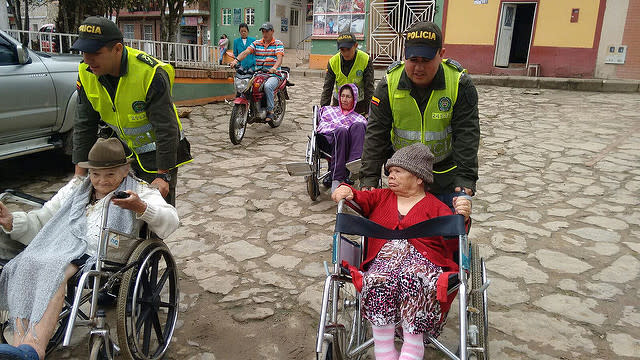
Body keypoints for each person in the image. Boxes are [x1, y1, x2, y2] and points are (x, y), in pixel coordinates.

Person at [0, 138, 179, 360]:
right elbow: (43, 221)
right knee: (23, 264)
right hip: (58, 245)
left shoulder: (140, 192)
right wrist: (11, 221)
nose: (101, 181)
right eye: (95, 174)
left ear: (125, 171)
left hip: (96, 253)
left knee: (54, 271)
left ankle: (33, 349)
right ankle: (19, 345)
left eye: (110, 174)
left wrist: (140, 207)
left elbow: (171, 221)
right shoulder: (76, 190)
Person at [332, 143, 471, 360]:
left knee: (415, 278)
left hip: (423, 262)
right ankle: (384, 350)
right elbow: (359, 197)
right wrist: (347, 190)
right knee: (377, 279)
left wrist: (462, 216)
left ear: (418, 178)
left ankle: (413, 347)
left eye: (398, 171)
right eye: (389, 172)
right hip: (383, 262)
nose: (390, 176)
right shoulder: (381, 197)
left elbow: (453, 239)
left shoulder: (435, 206)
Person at [70, 16, 193, 206]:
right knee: (116, 215)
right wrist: (79, 175)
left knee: (155, 218)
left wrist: (164, 175)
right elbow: (84, 123)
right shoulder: (87, 72)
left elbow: (166, 128)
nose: (87, 59)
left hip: (157, 158)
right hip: (120, 157)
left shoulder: (150, 73)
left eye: (94, 52)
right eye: (84, 52)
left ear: (117, 49)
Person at [359, 21, 480, 212]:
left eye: (426, 60)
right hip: (403, 177)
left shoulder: (459, 83)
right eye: (413, 59)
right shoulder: (388, 84)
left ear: (441, 55)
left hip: (444, 174)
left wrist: (465, 179)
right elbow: (376, 134)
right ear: (404, 55)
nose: (419, 67)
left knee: (447, 234)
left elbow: (467, 134)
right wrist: (368, 179)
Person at [230, 22, 285, 123]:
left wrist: (274, 67)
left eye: (267, 31)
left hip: (273, 74)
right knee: (247, 86)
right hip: (258, 73)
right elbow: (246, 52)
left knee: (268, 86)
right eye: (263, 31)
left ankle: (270, 111)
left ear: (272, 31)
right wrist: (236, 60)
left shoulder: (278, 43)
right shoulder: (257, 43)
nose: (265, 34)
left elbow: (279, 58)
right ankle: (252, 109)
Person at [317, 83, 367, 192]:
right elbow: (321, 127)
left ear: (354, 99)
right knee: (342, 131)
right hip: (329, 142)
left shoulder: (359, 118)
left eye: (348, 97)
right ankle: (337, 178)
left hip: (349, 147)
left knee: (359, 126)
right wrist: (342, 127)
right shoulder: (329, 110)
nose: (344, 99)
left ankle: (354, 166)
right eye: (342, 96)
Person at [320, 32, 374, 116]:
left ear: (356, 45)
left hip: (359, 104)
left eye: (348, 49)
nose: (345, 53)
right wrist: (323, 110)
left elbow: (369, 88)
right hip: (340, 103)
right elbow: (327, 88)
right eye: (342, 50)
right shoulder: (333, 62)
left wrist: (370, 112)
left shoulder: (365, 59)